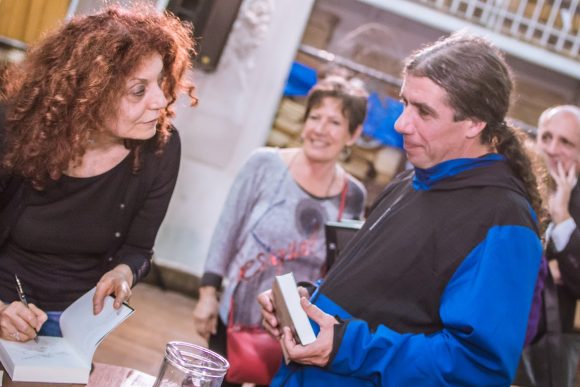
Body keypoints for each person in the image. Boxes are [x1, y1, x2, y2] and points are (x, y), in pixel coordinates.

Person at [258, 33, 545, 386]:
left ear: (474, 122)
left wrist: (347, 346)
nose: (400, 124)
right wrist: (308, 305)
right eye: (405, 103)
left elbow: (476, 368)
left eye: (423, 111)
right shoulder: (412, 181)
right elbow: (378, 295)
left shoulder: (504, 222)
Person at [0, 4, 196, 342]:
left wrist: (123, 273)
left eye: (159, 82)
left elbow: (138, 249)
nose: (161, 100)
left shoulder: (161, 149)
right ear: (89, 95)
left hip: (75, 314)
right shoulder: (17, 127)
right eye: (139, 90)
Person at [192, 76, 368, 386]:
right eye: (314, 117)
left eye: (334, 122)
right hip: (235, 317)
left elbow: (340, 266)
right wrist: (208, 294)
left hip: (296, 332)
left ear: (353, 135)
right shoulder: (264, 165)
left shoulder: (352, 194)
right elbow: (227, 231)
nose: (320, 129)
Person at [519, 104, 580, 386]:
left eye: (565, 142)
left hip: (541, 347)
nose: (552, 149)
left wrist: (563, 217)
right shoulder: (517, 182)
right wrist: (546, 268)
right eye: (546, 137)